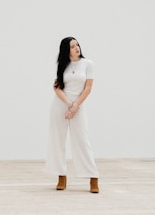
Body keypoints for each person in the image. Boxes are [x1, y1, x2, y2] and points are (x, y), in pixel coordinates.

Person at [45, 36, 99, 193]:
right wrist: (69, 105)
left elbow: (88, 88)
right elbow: (56, 87)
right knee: (57, 140)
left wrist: (75, 106)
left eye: (77, 45)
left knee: (82, 140)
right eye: (72, 46)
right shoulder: (62, 65)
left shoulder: (88, 64)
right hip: (60, 105)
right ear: (66, 50)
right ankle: (61, 176)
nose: (77, 48)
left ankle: (93, 177)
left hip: (78, 106)